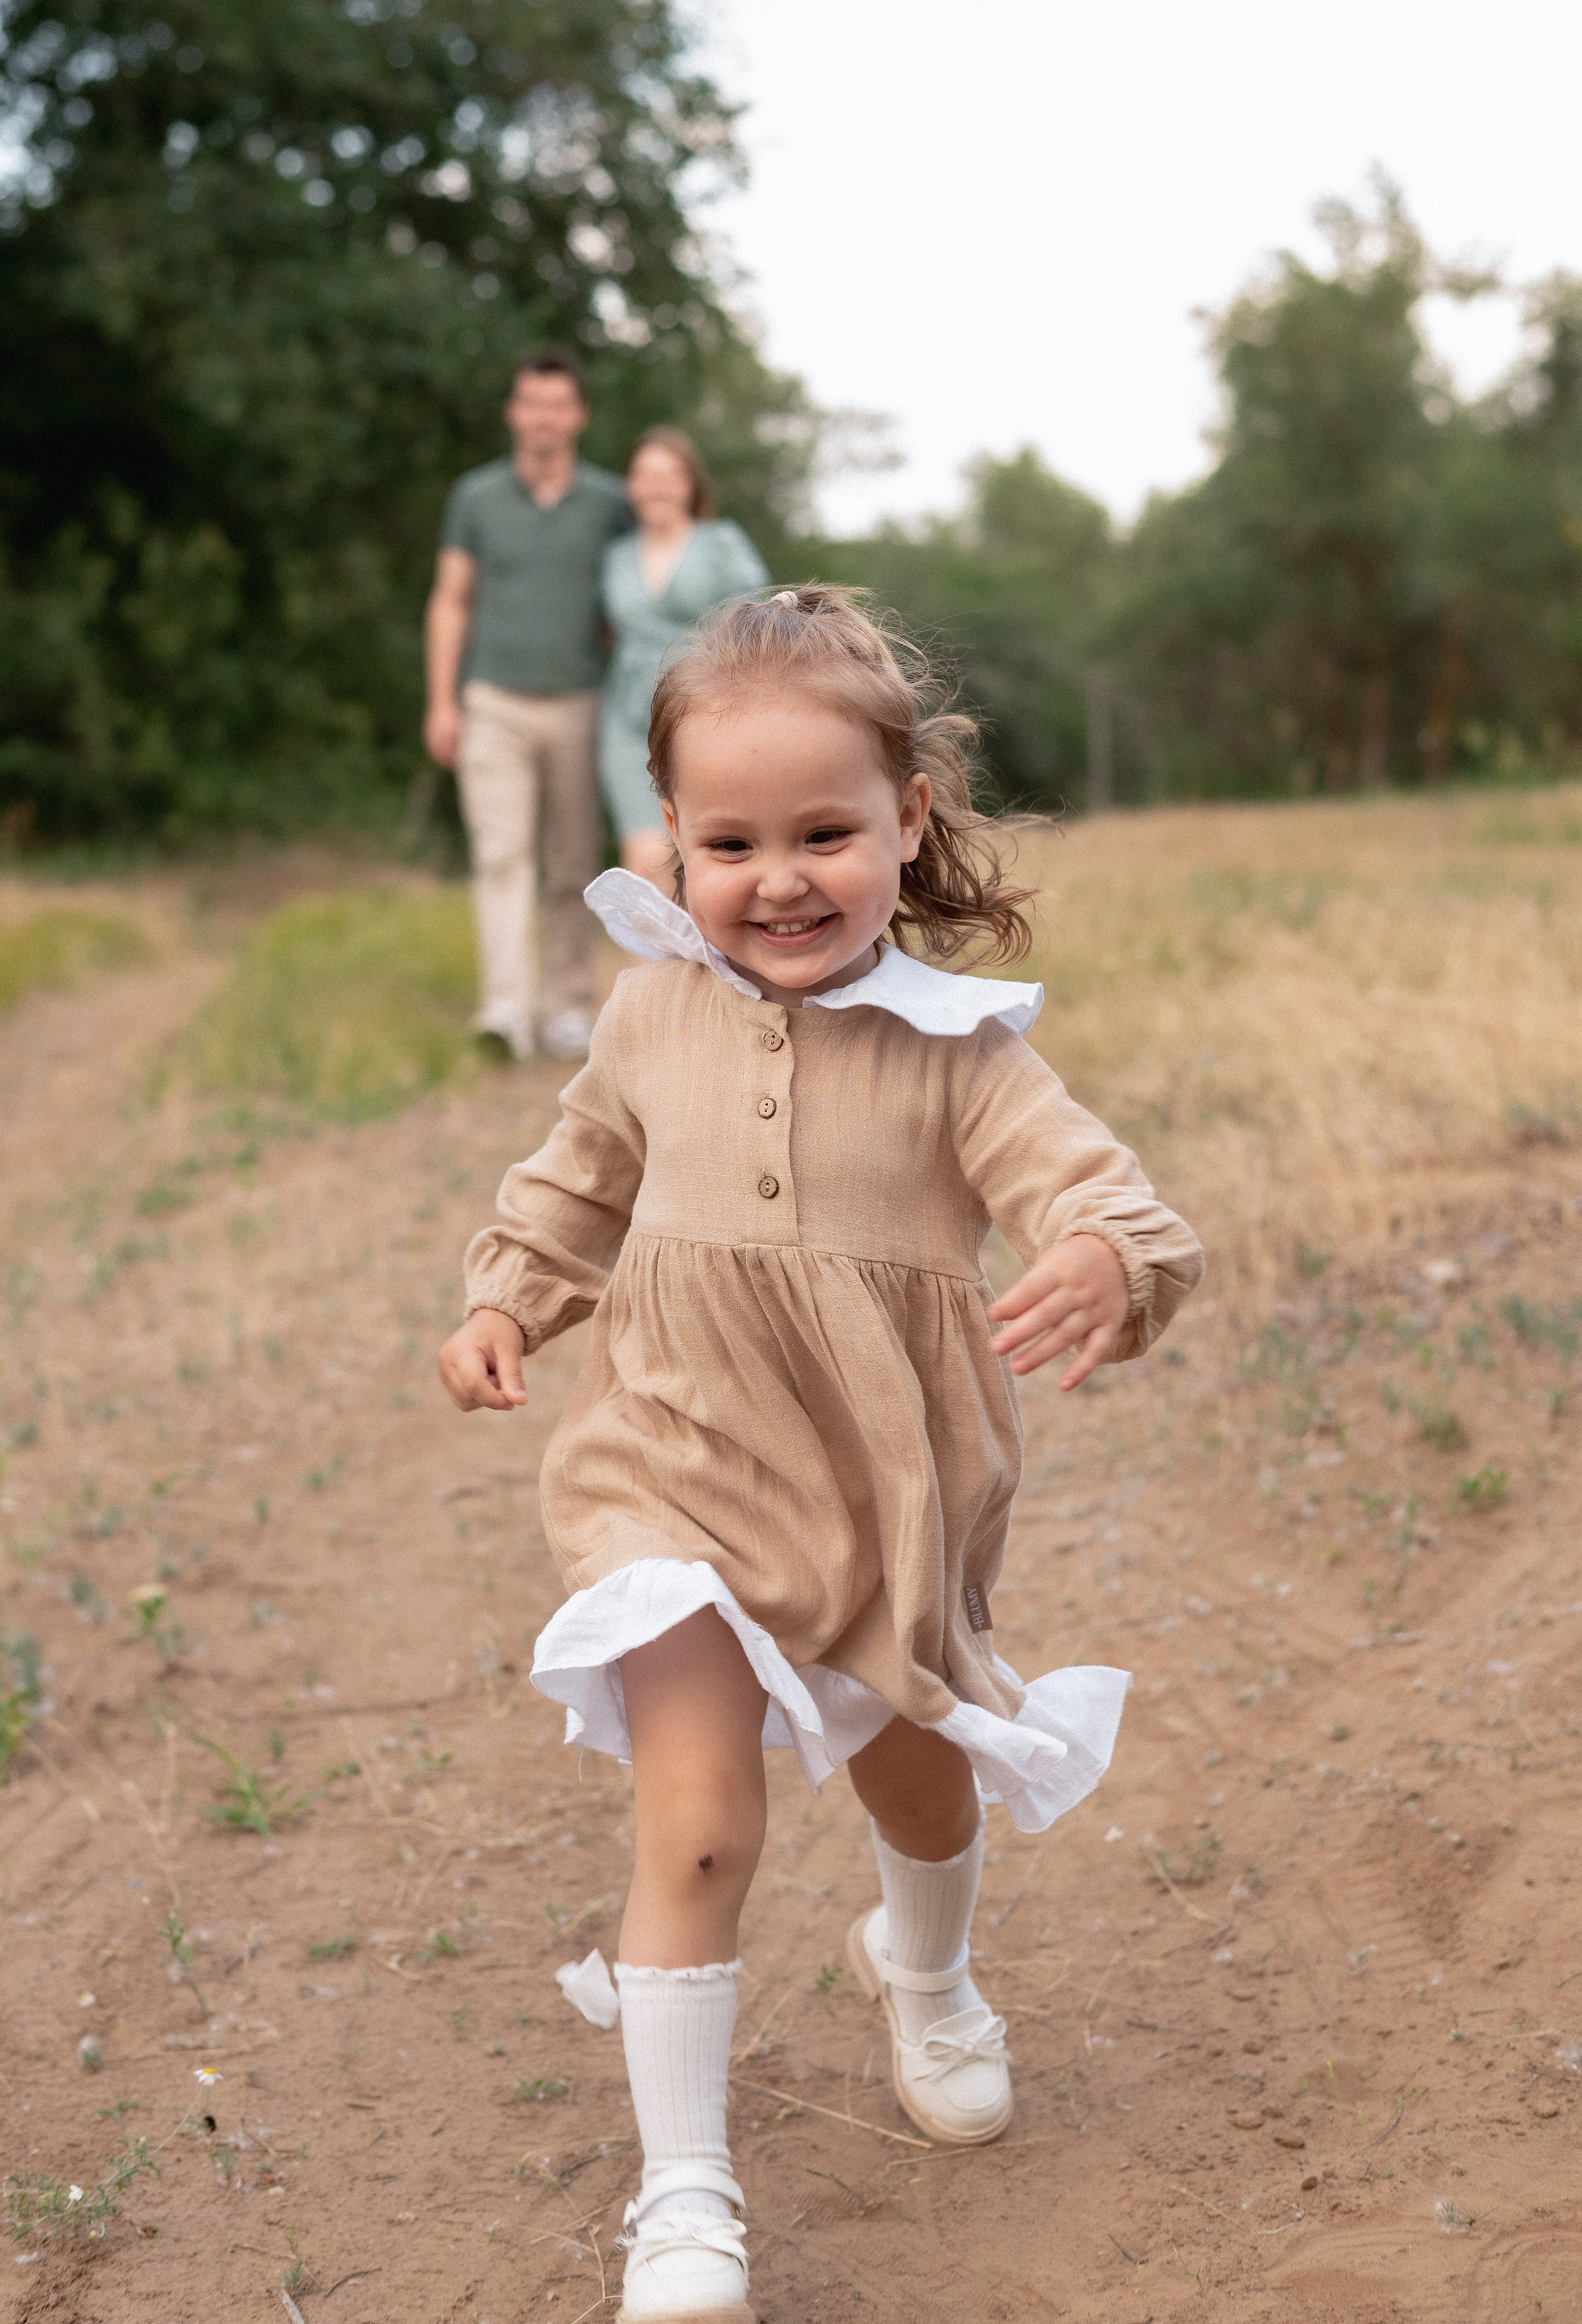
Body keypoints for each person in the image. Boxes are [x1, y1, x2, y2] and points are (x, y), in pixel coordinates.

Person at [437, 586, 1203, 2324]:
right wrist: (506, 1298)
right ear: (672, 841)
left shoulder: (960, 1053)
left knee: (913, 1776)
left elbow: (1101, 1190)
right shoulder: (647, 1010)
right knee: (695, 1811)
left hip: (878, 1508)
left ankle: (921, 1973)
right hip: (670, 1469)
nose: (774, 875)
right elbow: (576, 1174)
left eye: (822, 831)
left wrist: (1102, 1258)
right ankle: (683, 2188)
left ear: (904, 819)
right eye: (728, 838)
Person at [423, 350, 634, 1060]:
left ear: (578, 415)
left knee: (572, 861)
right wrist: (442, 701)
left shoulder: (609, 503)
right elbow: (451, 600)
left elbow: (630, 601)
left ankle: (570, 1006)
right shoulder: (476, 497)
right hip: (493, 701)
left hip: (580, 703)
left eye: (557, 404)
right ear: (514, 412)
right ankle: (506, 1009)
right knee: (501, 857)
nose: (543, 417)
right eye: (530, 403)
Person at [599, 429, 768, 889]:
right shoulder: (615, 555)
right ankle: (650, 965)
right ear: (630, 487)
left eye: (669, 475)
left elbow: (755, 625)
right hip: (629, 719)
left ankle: (709, 963)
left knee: (705, 855)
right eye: (645, 475)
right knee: (642, 857)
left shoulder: (721, 542)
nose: (656, 486)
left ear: (690, 485)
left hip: (704, 713)